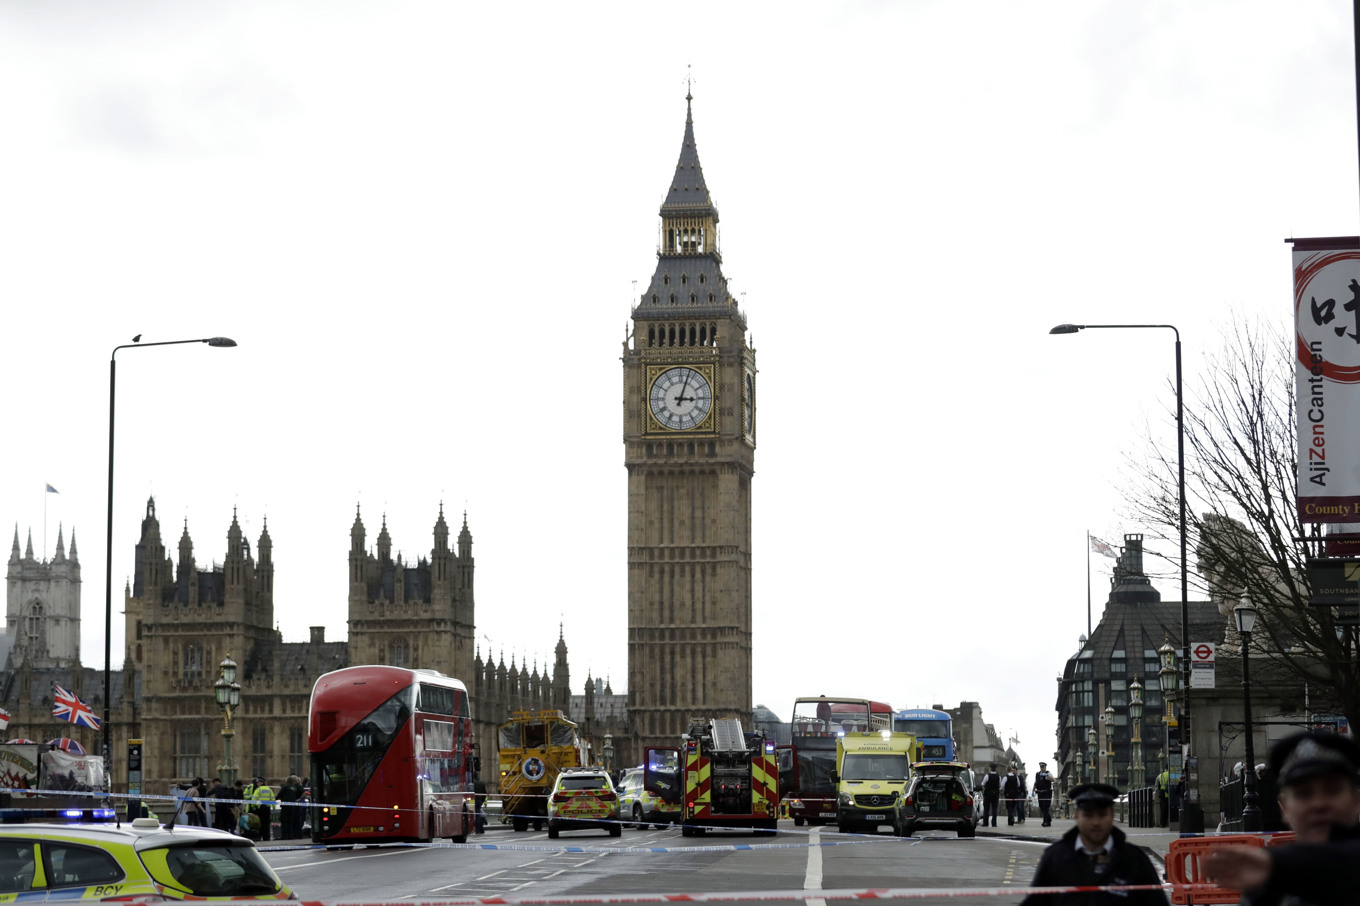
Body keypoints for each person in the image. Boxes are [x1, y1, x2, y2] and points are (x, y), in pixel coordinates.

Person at [1204, 730, 1360, 903]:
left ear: (1356, 801)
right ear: (1284, 807)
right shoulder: (1265, 888)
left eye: (1332, 790)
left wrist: (1277, 866)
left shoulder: (1271, 870)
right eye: (1304, 794)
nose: (1319, 804)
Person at [1020, 783, 1168, 905]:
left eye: (1102, 815)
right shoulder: (1055, 858)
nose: (1096, 822)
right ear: (1076, 815)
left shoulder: (1135, 860)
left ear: (1111, 815)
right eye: (1088, 815)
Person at [278, 775, 304, 839]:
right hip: (293, 806)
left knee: (285, 821)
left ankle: (285, 836)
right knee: (291, 822)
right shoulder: (295, 787)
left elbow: (279, 794)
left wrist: (273, 800)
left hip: (286, 807)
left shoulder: (285, 787)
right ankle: (291, 836)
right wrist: (298, 799)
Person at [251, 776, 275, 842]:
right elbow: (273, 799)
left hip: (260, 809)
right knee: (266, 824)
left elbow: (254, 799)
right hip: (267, 809)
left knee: (260, 824)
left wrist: (254, 806)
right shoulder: (269, 789)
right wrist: (274, 807)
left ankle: (260, 836)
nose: (257, 783)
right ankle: (266, 837)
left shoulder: (258, 790)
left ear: (262, 782)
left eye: (258, 782)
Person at [1034, 762, 1055, 827]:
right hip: (1040, 793)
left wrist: (1047, 776)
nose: (1042, 768)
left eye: (1043, 767)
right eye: (1041, 767)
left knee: (1045, 807)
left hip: (1047, 793)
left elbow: (1053, 780)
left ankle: (1045, 822)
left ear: (1045, 767)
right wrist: (1033, 790)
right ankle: (1048, 819)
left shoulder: (1048, 773)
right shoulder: (1037, 774)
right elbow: (1035, 783)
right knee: (1041, 807)